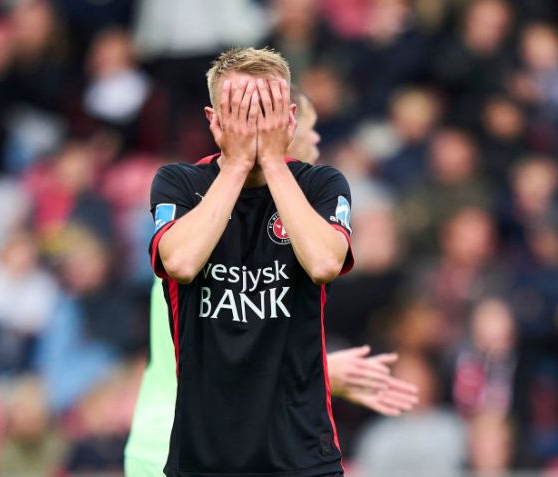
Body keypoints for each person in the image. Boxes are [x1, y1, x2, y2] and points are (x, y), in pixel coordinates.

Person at [125, 90, 418, 476]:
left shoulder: (208, 222)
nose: (316, 140)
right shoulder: (204, 235)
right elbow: (224, 359)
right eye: (309, 127)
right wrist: (323, 374)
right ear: (281, 132)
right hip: (183, 445)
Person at [147, 46, 357, 476]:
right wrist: (239, 163)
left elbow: (324, 263)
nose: (254, 123)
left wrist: (274, 163)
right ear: (214, 120)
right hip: (203, 458)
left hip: (302, 456)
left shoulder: (320, 184)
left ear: (289, 117)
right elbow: (181, 262)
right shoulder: (179, 183)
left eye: (266, 109)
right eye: (241, 110)